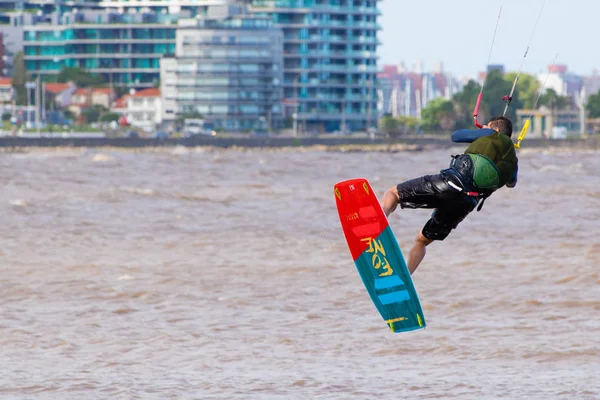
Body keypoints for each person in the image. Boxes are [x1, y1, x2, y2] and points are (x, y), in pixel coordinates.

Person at [381, 116, 519, 275]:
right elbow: (511, 183)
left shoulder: (489, 134)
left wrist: (484, 131)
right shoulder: (513, 162)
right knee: (422, 241)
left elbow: (456, 136)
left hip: (450, 184)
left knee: (393, 193)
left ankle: (376, 226)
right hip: (465, 203)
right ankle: (405, 277)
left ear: (494, 129)